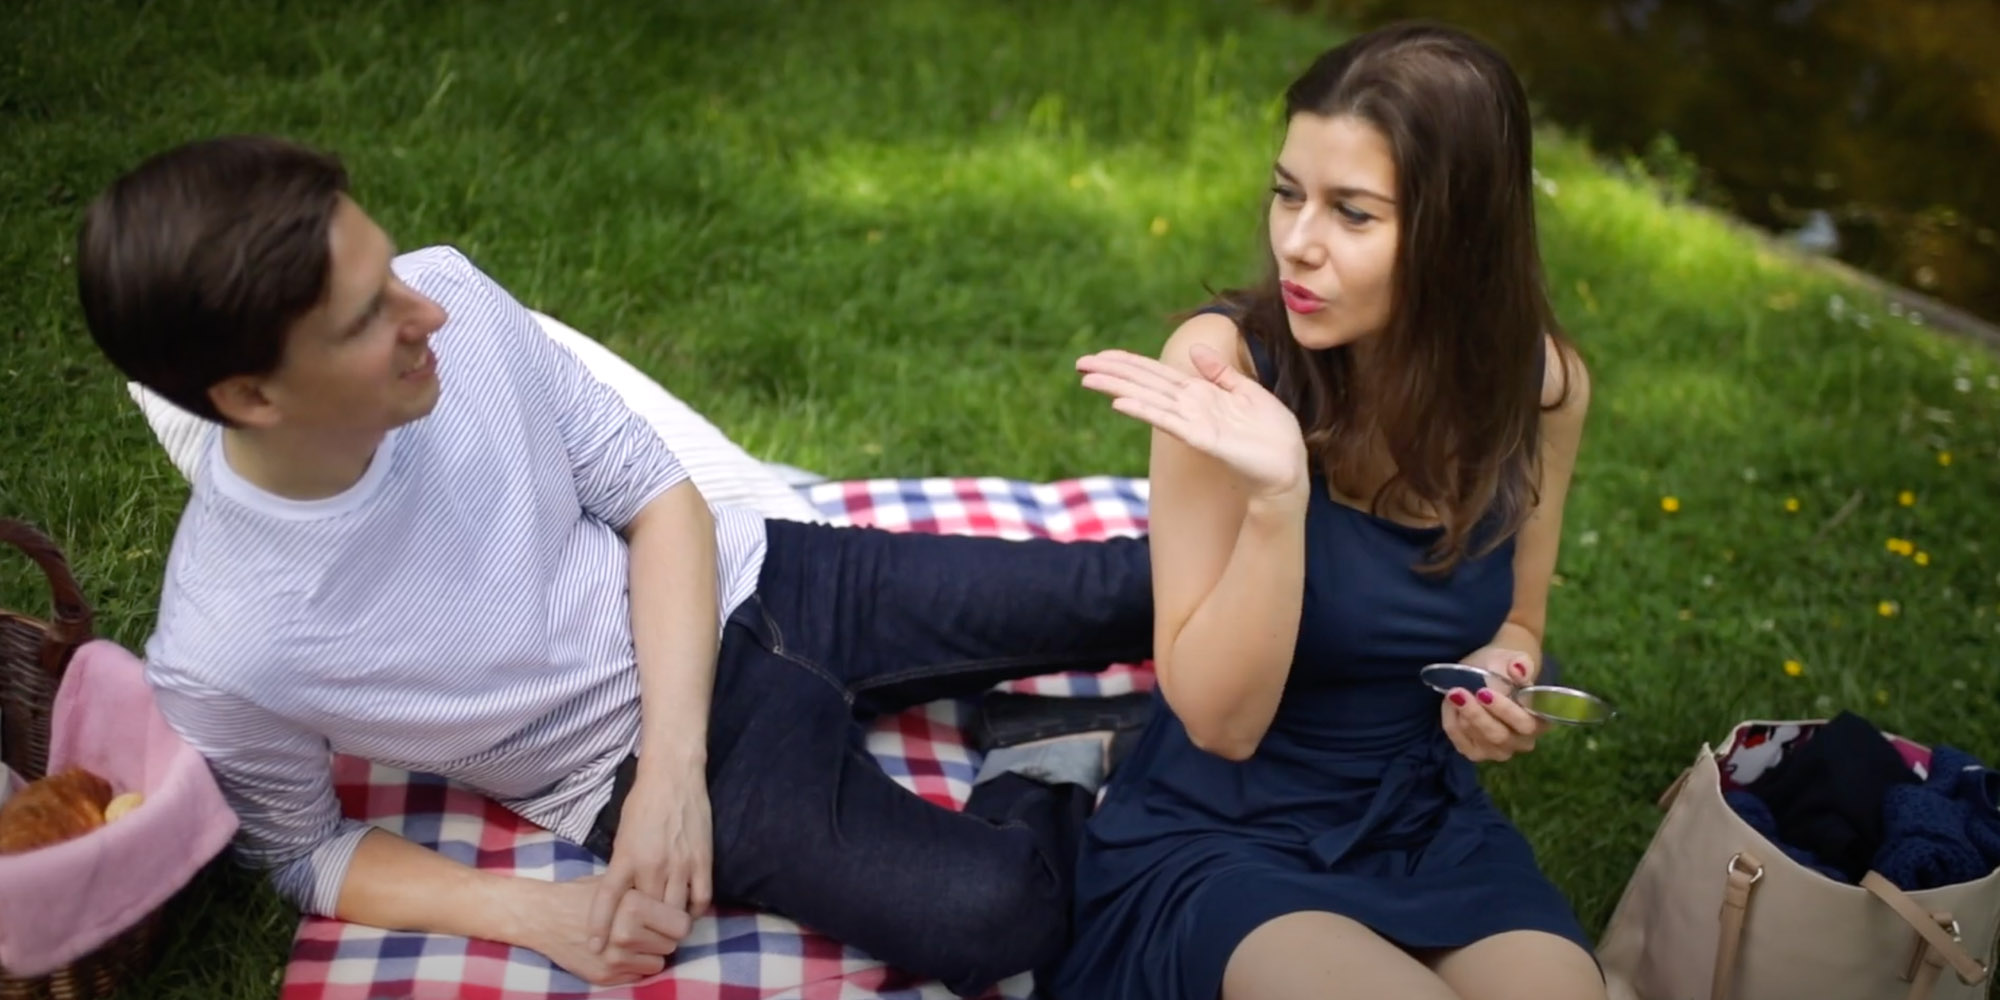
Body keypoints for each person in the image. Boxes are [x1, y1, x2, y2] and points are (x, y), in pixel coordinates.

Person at [73, 135, 1152, 994]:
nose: (427, 310)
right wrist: (537, 911)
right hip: (633, 765)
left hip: (754, 583)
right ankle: (1041, 756)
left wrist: (674, 776)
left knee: (1129, 588)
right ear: (251, 399)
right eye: (368, 318)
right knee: (992, 915)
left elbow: (656, 493)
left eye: (389, 267)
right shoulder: (229, 647)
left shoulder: (456, 301)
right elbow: (304, 853)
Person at [1051, 23, 1605, 1000]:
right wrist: (1275, 498)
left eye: (1351, 213)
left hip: (1420, 825)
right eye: (1286, 192)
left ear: (1457, 232)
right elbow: (1218, 723)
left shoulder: (1541, 390)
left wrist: (1498, 677)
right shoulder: (1221, 371)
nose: (1295, 242)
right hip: (1221, 835)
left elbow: (1517, 619)